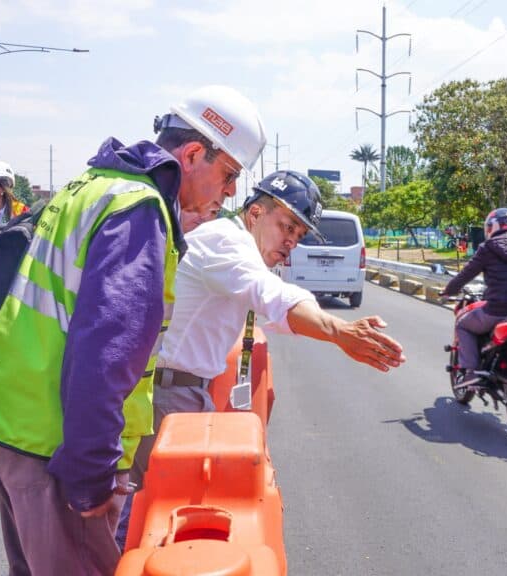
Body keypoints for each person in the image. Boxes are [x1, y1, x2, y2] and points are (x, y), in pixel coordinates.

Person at [0, 85, 267, 576]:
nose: (229, 191)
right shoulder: (139, 210)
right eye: (228, 175)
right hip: (56, 447)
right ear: (191, 153)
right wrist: (91, 474)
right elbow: (106, 352)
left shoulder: (92, 184)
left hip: (13, 426)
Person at [115, 170, 406, 547]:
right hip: (169, 399)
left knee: (156, 516)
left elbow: (275, 314)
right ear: (255, 213)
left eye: (299, 236)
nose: (291, 243)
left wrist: (332, 329)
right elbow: (272, 294)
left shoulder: (231, 249)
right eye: (287, 227)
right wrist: (338, 331)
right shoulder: (226, 242)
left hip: (180, 394)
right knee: (145, 520)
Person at [441, 207, 507, 389]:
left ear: (492, 227)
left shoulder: (488, 247)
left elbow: (466, 274)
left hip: (498, 310)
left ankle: (471, 372)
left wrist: (449, 290)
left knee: (462, 323)